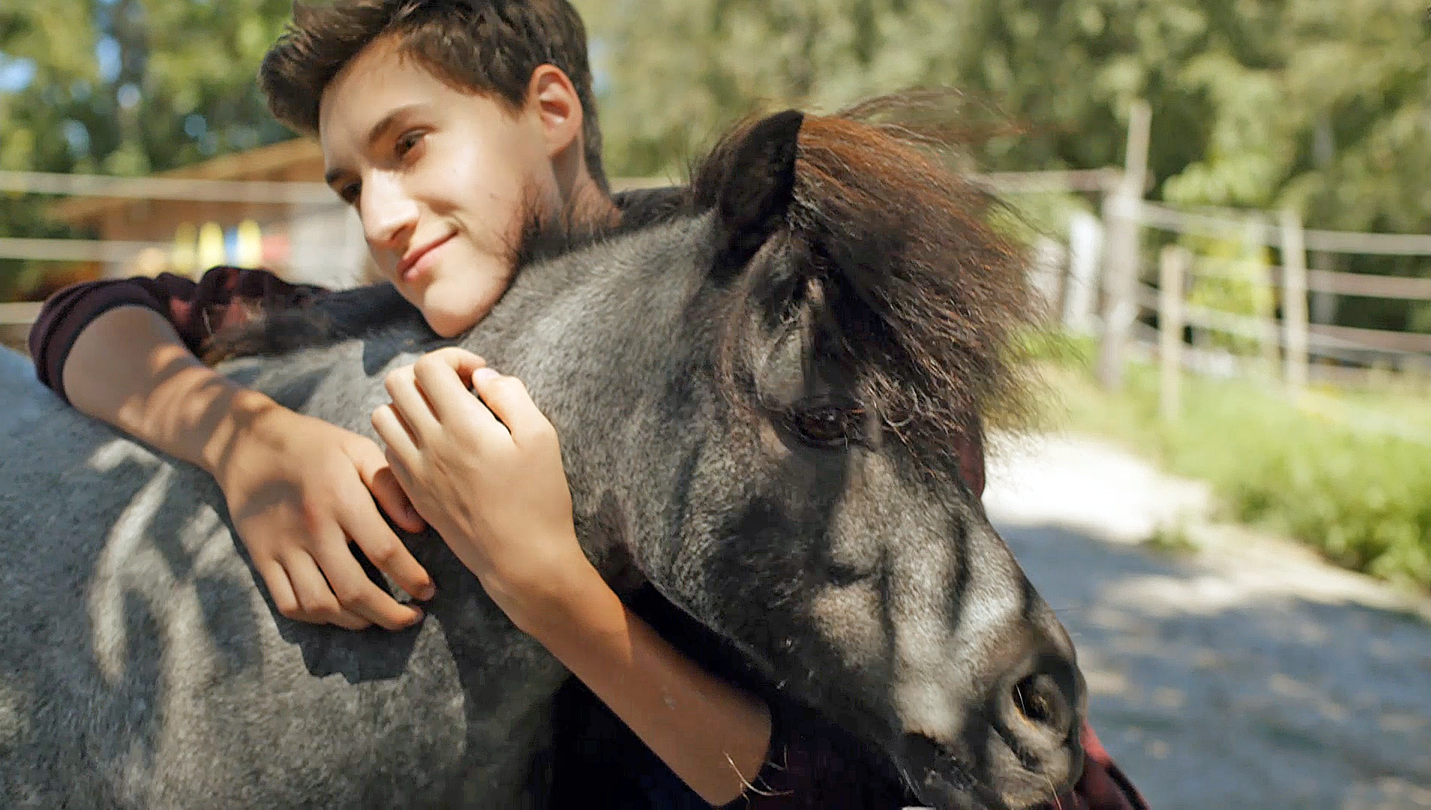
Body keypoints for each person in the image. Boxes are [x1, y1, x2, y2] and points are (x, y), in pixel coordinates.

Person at [29, 2, 1146, 807]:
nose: (380, 212)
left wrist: (546, 585)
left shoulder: (773, 303)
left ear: (551, 107)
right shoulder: (396, 319)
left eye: (408, 145)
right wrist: (246, 438)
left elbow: (850, 780)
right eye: (348, 185)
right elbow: (93, 314)